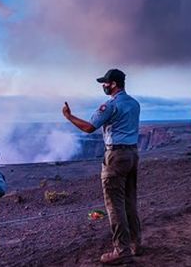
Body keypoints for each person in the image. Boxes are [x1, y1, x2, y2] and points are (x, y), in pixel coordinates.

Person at [62, 69, 141, 265]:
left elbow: (89, 127)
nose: (103, 86)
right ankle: (135, 243)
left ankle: (122, 250)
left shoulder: (111, 105)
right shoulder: (134, 103)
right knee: (130, 200)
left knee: (115, 205)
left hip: (116, 156)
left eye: (105, 83)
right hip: (132, 154)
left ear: (113, 84)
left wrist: (69, 116)